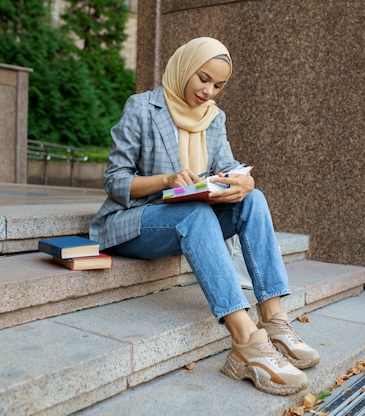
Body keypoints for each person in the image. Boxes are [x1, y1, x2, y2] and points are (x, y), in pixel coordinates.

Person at [89, 37, 319, 396]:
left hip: (189, 218)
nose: (208, 91)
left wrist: (243, 181)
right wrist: (168, 180)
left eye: (218, 85)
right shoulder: (142, 107)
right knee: (194, 213)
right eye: (202, 79)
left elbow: (228, 167)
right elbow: (114, 181)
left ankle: (274, 321)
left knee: (253, 200)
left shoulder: (214, 118)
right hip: (136, 221)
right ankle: (246, 341)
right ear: (184, 68)